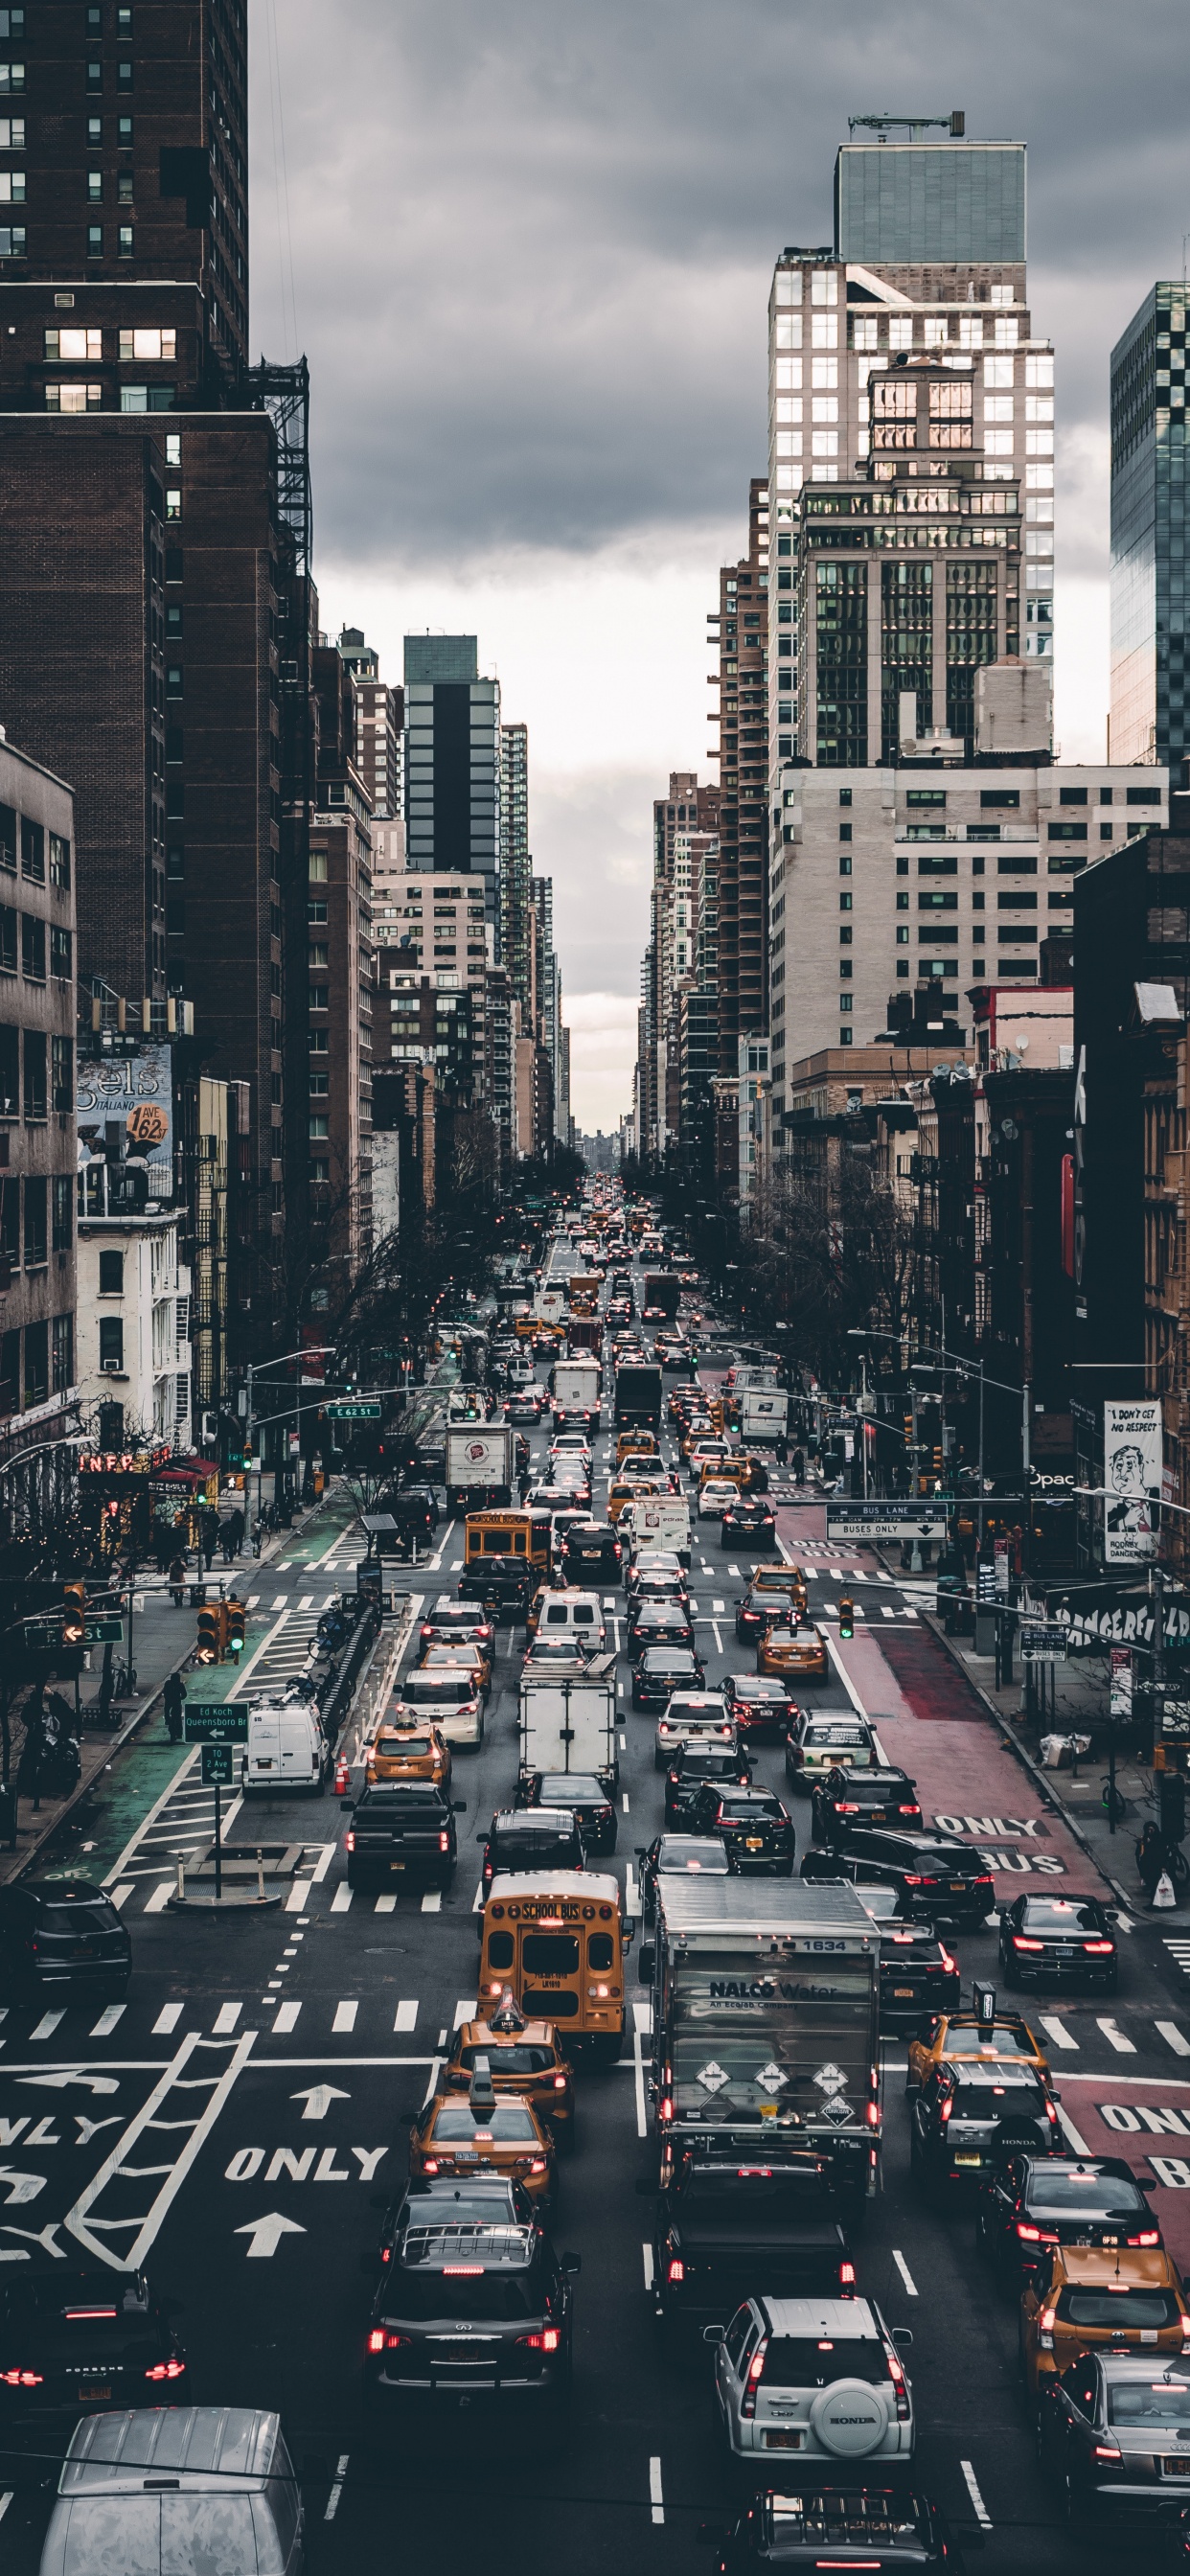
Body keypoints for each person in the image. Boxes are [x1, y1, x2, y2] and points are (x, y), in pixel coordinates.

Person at [163, 1670, 186, 1744]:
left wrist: (180, 1698)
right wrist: (180, 1698)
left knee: (176, 1716)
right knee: (169, 1711)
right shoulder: (178, 1684)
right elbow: (184, 1695)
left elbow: (184, 1694)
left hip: (173, 1701)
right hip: (172, 1701)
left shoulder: (171, 1683)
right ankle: (168, 1721)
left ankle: (178, 1732)